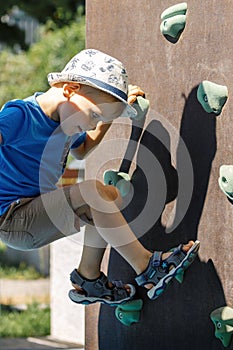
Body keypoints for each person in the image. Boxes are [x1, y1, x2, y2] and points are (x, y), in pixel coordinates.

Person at [0, 48, 200, 305]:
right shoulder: (20, 115)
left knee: (107, 197)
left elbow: (82, 150)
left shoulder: (68, 118)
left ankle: (88, 279)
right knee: (92, 193)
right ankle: (148, 267)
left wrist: (109, 114)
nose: (94, 124)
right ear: (70, 90)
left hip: (33, 210)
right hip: (11, 218)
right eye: (94, 115)